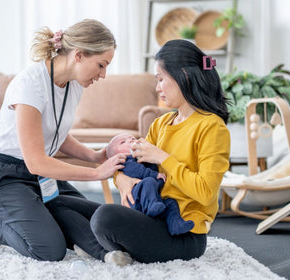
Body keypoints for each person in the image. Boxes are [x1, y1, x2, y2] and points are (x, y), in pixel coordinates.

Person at [0, 19, 133, 265]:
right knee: (49, 249)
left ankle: (51, 223)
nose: (103, 75)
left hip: (39, 178)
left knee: (94, 217)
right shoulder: (30, 84)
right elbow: (36, 162)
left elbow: (55, 132)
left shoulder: (74, 86)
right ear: (79, 55)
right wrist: (97, 173)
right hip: (3, 175)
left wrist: (96, 155)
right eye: (101, 65)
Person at [90, 39, 230, 263]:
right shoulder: (161, 123)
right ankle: (112, 248)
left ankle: (104, 248)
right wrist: (121, 178)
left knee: (104, 217)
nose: (157, 88)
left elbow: (205, 192)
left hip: (183, 235)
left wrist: (163, 158)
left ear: (183, 76)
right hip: (152, 218)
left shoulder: (212, 127)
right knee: (75, 204)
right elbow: (133, 163)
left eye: (161, 79)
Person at [106, 133, 194, 235]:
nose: (130, 140)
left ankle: (175, 225)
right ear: (117, 155)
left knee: (171, 202)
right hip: (138, 200)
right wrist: (154, 175)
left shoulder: (141, 158)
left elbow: (152, 166)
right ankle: (152, 206)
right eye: (123, 142)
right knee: (149, 181)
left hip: (154, 199)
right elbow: (138, 171)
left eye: (133, 138)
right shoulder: (126, 161)